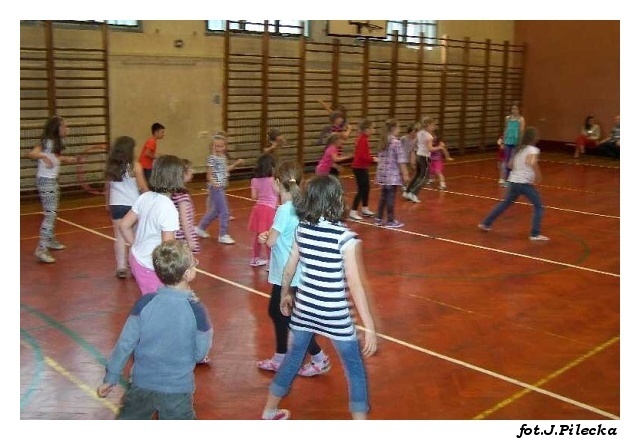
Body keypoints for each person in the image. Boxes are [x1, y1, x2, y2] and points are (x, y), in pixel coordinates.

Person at [260, 174, 378, 420]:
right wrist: (369, 326)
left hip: (305, 309)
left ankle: (269, 411)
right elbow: (355, 285)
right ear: (337, 200)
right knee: (354, 369)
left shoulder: (302, 230)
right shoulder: (345, 238)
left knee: (292, 359)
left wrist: (284, 294)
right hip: (335, 314)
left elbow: (289, 268)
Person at [96, 240, 213, 420]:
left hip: (141, 385)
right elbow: (200, 354)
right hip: (177, 389)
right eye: (194, 263)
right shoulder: (197, 310)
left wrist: (111, 377)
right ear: (188, 273)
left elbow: (125, 344)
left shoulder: (145, 303)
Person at [256, 161, 331, 376]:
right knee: (279, 313)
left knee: (288, 318)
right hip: (296, 272)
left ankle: (319, 357)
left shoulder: (284, 209)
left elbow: (272, 241)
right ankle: (281, 357)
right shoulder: (301, 206)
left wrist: (265, 237)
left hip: (288, 274)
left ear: (277, 183)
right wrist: (270, 236)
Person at [119, 155, 183, 295]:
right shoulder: (168, 207)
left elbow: (124, 225)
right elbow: (167, 247)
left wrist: (135, 245)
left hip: (136, 259)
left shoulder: (145, 197)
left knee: (151, 299)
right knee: (157, 302)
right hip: (150, 267)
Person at [478, 126, 549, 241]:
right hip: (524, 183)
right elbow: (531, 162)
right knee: (538, 206)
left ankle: (486, 223)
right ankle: (535, 234)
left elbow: (510, 165)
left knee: (505, 203)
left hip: (513, 182)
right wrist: (538, 176)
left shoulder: (518, 149)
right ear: (534, 138)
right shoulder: (533, 150)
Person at [27, 115, 78, 264]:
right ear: (57, 128)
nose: (67, 128)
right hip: (46, 182)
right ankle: (41, 249)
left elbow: (54, 157)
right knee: (50, 214)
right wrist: (42, 156)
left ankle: (49, 240)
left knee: (52, 213)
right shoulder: (47, 142)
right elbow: (31, 154)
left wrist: (66, 159)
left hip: (52, 181)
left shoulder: (55, 143)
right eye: (64, 126)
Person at [104, 136, 148, 278]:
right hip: (133, 205)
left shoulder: (111, 167)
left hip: (116, 204)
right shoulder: (135, 166)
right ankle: (135, 265)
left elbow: (107, 187)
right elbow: (143, 187)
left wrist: (107, 203)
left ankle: (121, 266)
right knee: (134, 236)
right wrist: (151, 198)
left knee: (119, 236)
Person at [195, 133, 244, 245]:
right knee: (224, 211)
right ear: (212, 147)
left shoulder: (223, 158)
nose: (219, 149)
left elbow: (225, 170)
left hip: (221, 187)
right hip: (216, 188)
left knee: (215, 211)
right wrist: (215, 184)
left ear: (225, 146)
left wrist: (236, 164)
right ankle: (223, 234)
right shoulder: (212, 159)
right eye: (217, 146)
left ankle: (200, 227)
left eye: (222, 146)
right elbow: (209, 175)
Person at [374, 118, 410, 228]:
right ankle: (390, 220)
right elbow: (401, 160)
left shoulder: (383, 141)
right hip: (392, 175)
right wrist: (405, 174)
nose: (399, 130)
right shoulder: (396, 142)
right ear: (394, 128)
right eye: (398, 127)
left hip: (383, 174)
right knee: (390, 197)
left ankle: (378, 218)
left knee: (383, 197)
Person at [247, 153, 278, 267]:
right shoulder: (273, 180)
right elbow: (278, 192)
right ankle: (270, 262)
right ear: (272, 167)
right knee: (269, 235)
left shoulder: (254, 180)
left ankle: (255, 258)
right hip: (269, 210)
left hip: (258, 208)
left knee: (258, 235)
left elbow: (253, 196)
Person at [349, 119, 377, 220]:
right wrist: (372, 159)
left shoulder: (363, 138)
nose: (373, 130)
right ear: (366, 130)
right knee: (361, 189)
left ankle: (365, 208)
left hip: (362, 167)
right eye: (371, 128)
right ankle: (353, 211)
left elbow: (364, 154)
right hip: (359, 167)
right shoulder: (362, 139)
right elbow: (361, 156)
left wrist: (371, 157)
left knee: (366, 188)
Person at [171, 159, 200, 254]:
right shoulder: (182, 195)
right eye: (190, 170)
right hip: (183, 235)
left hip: (180, 233)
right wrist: (190, 239)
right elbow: (184, 220)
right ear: (183, 174)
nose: (192, 172)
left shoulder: (175, 192)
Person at [403, 116, 435, 203]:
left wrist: (418, 149)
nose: (433, 127)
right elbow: (430, 149)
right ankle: (413, 193)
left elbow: (414, 143)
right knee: (425, 177)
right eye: (432, 125)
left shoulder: (419, 133)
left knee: (417, 175)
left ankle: (407, 192)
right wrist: (439, 147)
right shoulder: (429, 136)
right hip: (425, 157)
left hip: (418, 155)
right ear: (428, 125)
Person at [502, 103, 525, 179]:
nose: (514, 110)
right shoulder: (507, 118)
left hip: (516, 142)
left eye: (516, 109)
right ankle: (507, 178)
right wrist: (503, 141)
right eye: (513, 109)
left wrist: (520, 143)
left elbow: (521, 132)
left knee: (514, 160)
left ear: (519, 110)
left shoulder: (521, 119)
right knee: (507, 160)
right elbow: (506, 129)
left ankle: (514, 177)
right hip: (508, 141)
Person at [400, 122, 418, 192]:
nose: (415, 134)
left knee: (412, 171)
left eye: (416, 132)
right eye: (413, 132)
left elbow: (413, 149)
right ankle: (405, 185)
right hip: (402, 159)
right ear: (409, 132)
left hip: (408, 158)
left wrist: (413, 159)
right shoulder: (403, 138)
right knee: (405, 173)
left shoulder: (415, 139)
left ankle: (405, 184)